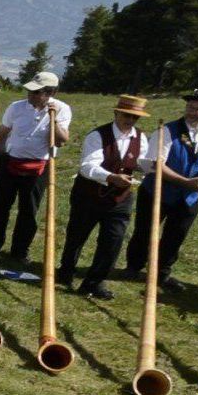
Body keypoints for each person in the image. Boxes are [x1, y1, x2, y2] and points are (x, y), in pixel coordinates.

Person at [123, 90, 198, 291]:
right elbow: (156, 164)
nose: (192, 112)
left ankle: (162, 273)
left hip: (189, 195)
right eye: (190, 107)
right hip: (158, 191)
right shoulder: (167, 131)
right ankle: (134, 267)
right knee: (145, 231)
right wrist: (185, 181)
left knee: (176, 235)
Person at [58, 95, 154, 300]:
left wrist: (148, 168)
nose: (130, 121)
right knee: (77, 236)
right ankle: (66, 270)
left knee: (113, 241)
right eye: (127, 115)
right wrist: (110, 177)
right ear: (116, 113)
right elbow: (87, 166)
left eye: (135, 118)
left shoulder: (140, 137)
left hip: (120, 199)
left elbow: (139, 161)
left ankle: (93, 282)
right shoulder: (98, 135)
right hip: (89, 195)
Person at [0, 72, 71, 264]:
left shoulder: (62, 110)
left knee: (29, 209)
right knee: (0, 204)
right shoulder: (16, 107)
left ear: (51, 92)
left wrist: (53, 118)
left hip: (39, 165)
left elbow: (62, 140)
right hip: (10, 160)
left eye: (36, 92)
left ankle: (20, 250)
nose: (31, 95)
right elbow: (4, 132)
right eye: (30, 91)